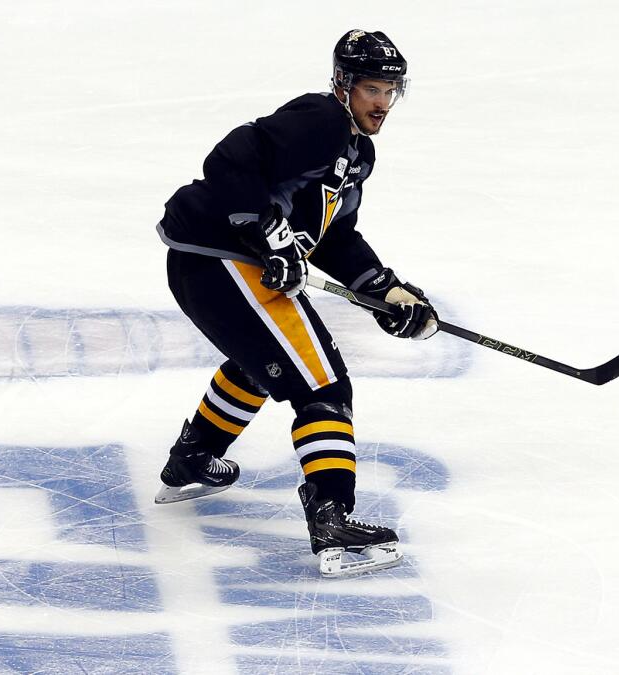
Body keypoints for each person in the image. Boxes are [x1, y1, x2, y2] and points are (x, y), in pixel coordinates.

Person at [153, 29, 438, 578]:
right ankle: (331, 513)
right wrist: (266, 230)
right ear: (343, 85)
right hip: (221, 259)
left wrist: (386, 289)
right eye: (372, 88)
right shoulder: (322, 120)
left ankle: (191, 458)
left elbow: (332, 237)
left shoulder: (357, 154)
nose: (381, 102)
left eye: (390, 91)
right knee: (324, 383)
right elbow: (230, 158)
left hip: (213, 265)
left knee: (263, 365)